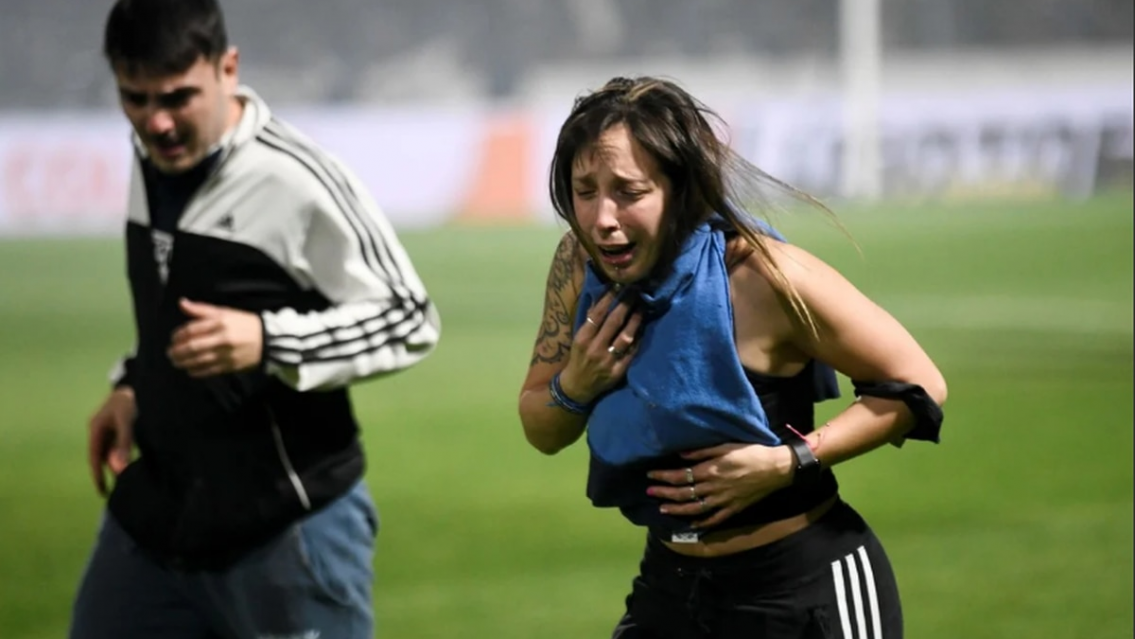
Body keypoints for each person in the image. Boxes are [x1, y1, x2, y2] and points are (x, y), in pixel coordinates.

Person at [518, 76, 947, 638]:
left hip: (803, 587)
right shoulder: (578, 265)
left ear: (682, 189)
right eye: (584, 190)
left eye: (628, 191)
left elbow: (919, 386)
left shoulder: (767, 275)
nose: (602, 218)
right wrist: (576, 383)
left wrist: (788, 462)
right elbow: (542, 429)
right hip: (670, 586)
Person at [71, 1, 441, 637]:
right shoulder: (152, 159)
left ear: (228, 68)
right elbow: (172, 301)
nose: (156, 122)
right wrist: (134, 384)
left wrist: (270, 339)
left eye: (178, 97)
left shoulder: (296, 178)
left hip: (287, 530)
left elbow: (410, 317)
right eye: (135, 99)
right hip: (158, 517)